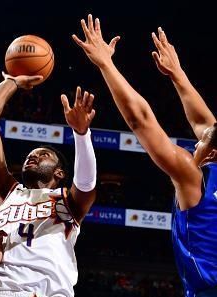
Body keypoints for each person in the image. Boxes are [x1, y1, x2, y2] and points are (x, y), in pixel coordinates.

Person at [72, 14, 217, 297]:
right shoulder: (211, 157)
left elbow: (141, 121)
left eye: (198, 145)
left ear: (210, 154)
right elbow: (207, 127)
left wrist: (106, 64)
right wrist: (178, 75)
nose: (194, 145)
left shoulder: (194, 176)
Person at [0, 72, 97, 297]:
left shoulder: (68, 201)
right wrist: (11, 82)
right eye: (31, 155)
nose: (34, 156)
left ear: (60, 172)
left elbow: (86, 183)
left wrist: (81, 134)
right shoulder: (4, 192)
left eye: (44, 155)